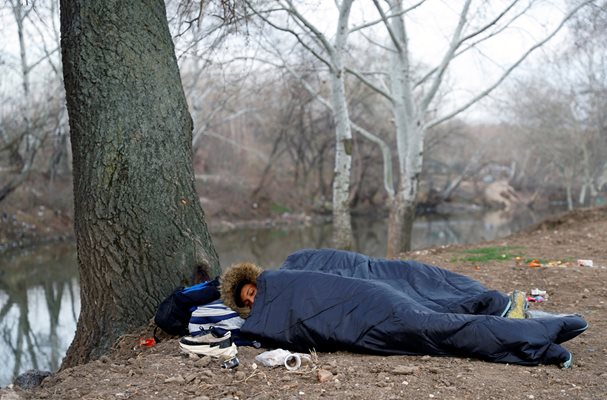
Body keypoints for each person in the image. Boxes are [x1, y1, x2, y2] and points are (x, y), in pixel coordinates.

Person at [219, 248, 588, 368]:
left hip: (370, 302)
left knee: (433, 314)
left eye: (252, 291)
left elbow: (343, 270)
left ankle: (536, 335)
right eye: (247, 302)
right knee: (438, 330)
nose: (253, 299)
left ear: (256, 280)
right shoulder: (261, 324)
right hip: (364, 326)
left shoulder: (291, 270)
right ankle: (541, 342)